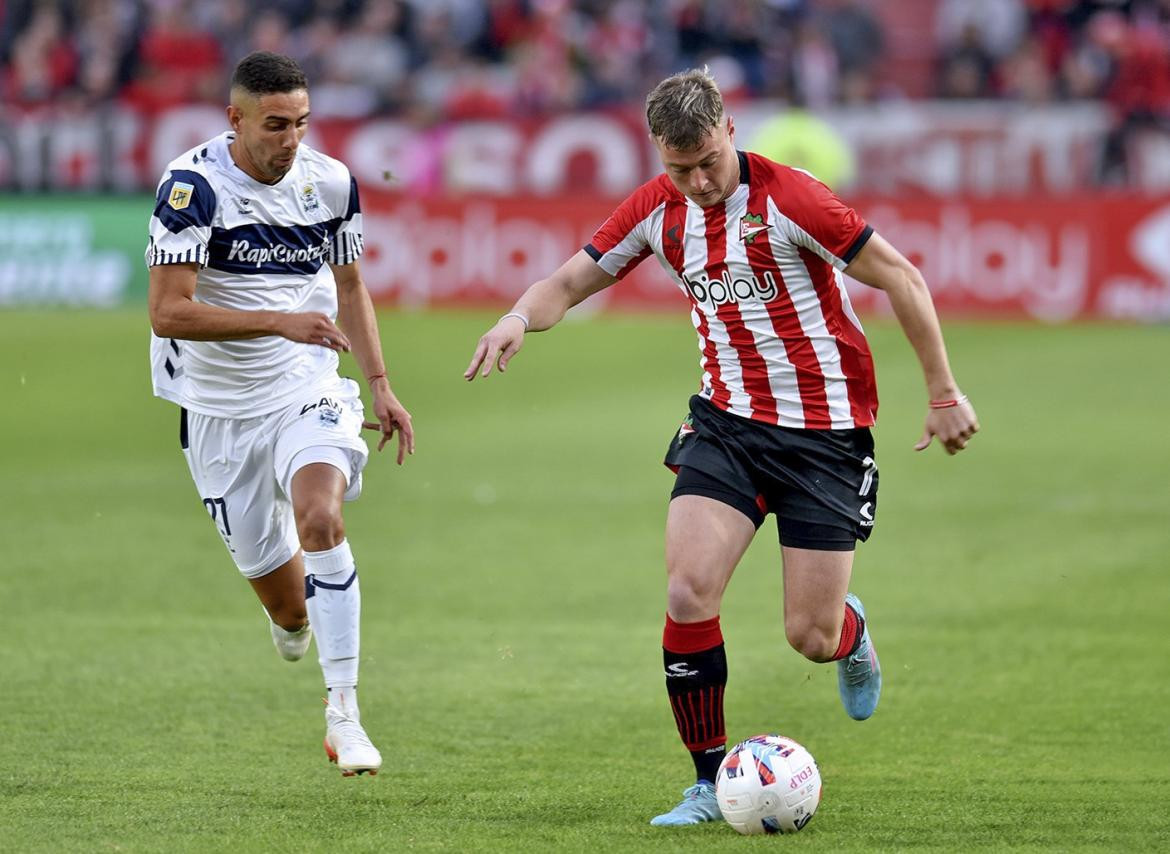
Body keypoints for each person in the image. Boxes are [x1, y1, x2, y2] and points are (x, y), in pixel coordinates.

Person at [465, 68, 978, 826]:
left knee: (810, 635)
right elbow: (570, 281)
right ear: (659, 157)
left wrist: (942, 393)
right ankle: (709, 782)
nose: (699, 181)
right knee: (687, 589)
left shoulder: (793, 199)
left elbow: (901, 277)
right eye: (680, 169)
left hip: (825, 437)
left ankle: (852, 635)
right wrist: (517, 316)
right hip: (726, 426)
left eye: (708, 160)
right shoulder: (656, 209)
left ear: (730, 129)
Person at [146, 51, 414, 776]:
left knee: (322, 518)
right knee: (291, 609)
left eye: (300, 123)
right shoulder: (192, 187)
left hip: (307, 384)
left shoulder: (330, 183)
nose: (290, 139)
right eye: (274, 125)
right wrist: (277, 321)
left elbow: (351, 287)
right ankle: (290, 618)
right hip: (217, 409)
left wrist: (381, 383)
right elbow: (168, 312)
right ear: (235, 119)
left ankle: (345, 716)